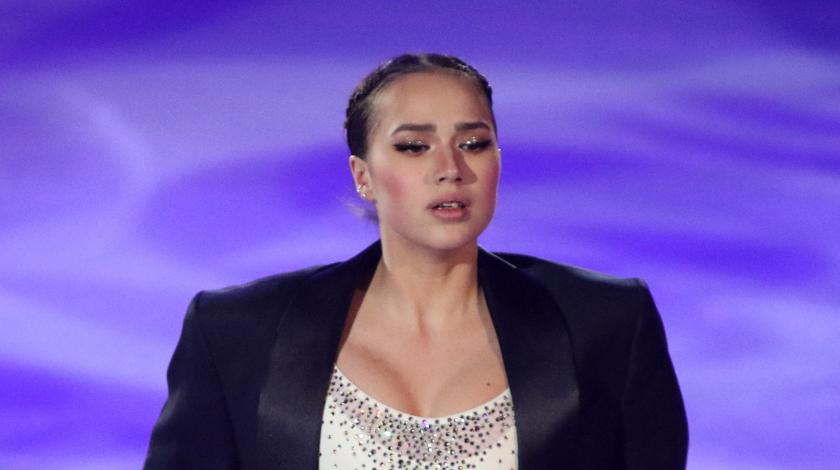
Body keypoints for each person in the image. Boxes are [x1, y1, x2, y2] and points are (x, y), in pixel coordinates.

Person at [143, 53, 688, 470]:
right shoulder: (238, 331)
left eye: (474, 143)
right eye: (413, 146)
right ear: (363, 176)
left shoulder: (605, 322)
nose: (451, 168)